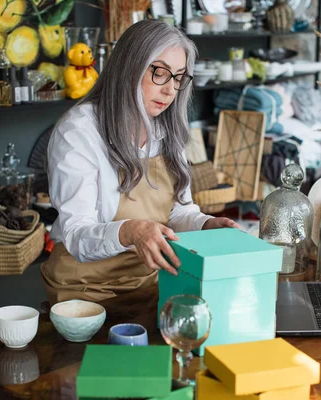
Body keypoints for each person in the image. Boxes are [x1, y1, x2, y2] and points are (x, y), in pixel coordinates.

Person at [41, 19, 239, 305]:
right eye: (160, 73)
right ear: (128, 68)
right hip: (84, 290)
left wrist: (206, 225)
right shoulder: (79, 131)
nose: (171, 89)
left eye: (179, 77)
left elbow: (178, 213)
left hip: (150, 283)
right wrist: (131, 231)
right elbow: (76, 234)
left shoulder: (167, 130)